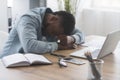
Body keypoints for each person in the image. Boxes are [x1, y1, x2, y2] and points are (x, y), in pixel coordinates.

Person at [0, 7, 85, 58]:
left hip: (28, 62)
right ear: (53, 19)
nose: (57, 37)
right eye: (54, 33)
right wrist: (58, 46)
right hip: (7, 64)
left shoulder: (60, 23)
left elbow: (82, 34)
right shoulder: (28, 19)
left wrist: (72, 38)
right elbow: (29, 46)